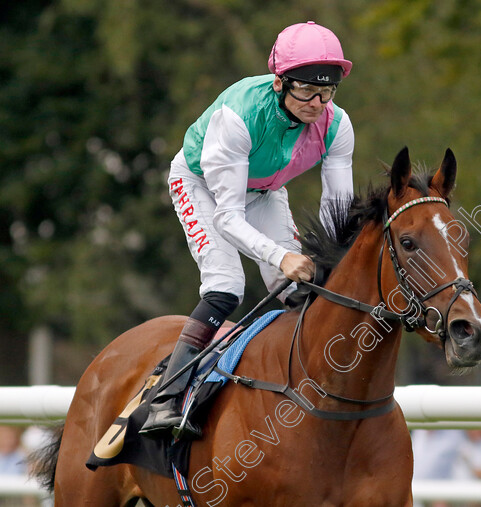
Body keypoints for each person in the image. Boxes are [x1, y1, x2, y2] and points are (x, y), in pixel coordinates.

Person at [141, 21, 355, 437]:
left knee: (297, 288)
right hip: (203, 186)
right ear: (280, 82)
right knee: (226, 285)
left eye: (327, 91)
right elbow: (227, 218)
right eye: (307, 90)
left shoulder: (337, 124)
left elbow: (338, 208)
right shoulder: (237, 116)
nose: (318, 103)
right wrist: (282, 254)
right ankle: (166, 396)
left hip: (265, 190)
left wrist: (336, 260)